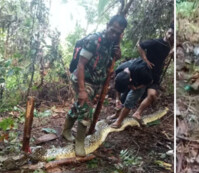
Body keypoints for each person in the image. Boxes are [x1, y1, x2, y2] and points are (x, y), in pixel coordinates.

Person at [61, 15, 128, 156]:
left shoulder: (114, 42)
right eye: (112, 30)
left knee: (79, 106)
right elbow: (80, 65)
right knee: (86, 111)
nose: (114, 34)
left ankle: (66, 130)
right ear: (107, 25)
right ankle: (80, 142)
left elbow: (108, 61)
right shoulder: (94, 40)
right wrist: (82, 90)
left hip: (96, 81)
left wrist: (118, 54)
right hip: (83, 79)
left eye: (118, 32)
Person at [111, 25, 174, 128]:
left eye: (172, 35)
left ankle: (136, 114)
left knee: (150, 95)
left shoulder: (170, 45)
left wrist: (137, 87)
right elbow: (140, 45)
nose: (170, 36)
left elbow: (148, 82)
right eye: (169, 33)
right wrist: (145, 59)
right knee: (126, 96)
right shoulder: (156, 42)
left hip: (152, 75)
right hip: (143, 71)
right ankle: (118, 117)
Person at [108, 58, 153, 128]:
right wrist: (117, 99)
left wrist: (137, 87)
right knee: (122, 98)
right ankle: (117, 114)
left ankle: (119, 121)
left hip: (141, 82)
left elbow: (149, 82)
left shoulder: (143, 72)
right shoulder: (119, 71)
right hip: (132, 77)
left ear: (130, 80)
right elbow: (118, 86)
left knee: (130, 100)